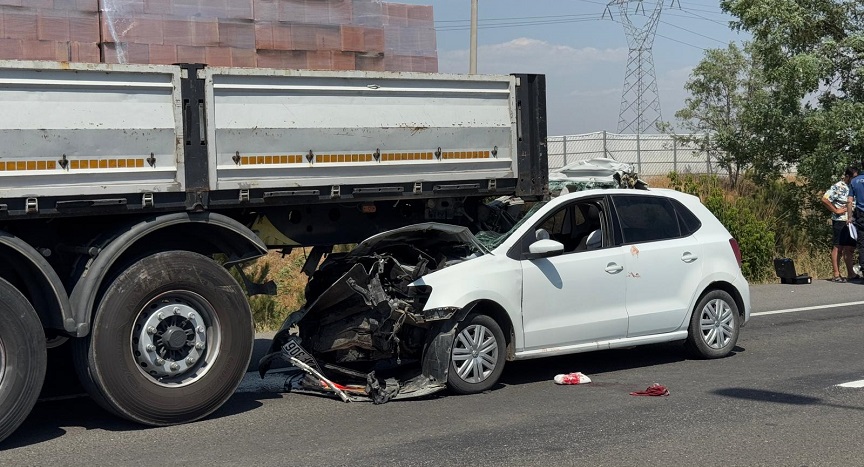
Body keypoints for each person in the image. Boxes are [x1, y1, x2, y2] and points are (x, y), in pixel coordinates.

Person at [823, 167, 857, 281]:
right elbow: (825, 199)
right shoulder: (838, 186)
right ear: (847, 176)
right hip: (840, 220)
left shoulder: (854, 186)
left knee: (849, 247)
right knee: (838, 246)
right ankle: (836, 274)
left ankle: (851, 273)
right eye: (853, 177)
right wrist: (836, 210)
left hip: (852, 221)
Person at [846, 166, 864, 279]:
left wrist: (850, 217)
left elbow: (849, 201)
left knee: (862, 244)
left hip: (861, 214)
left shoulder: (854, 181)